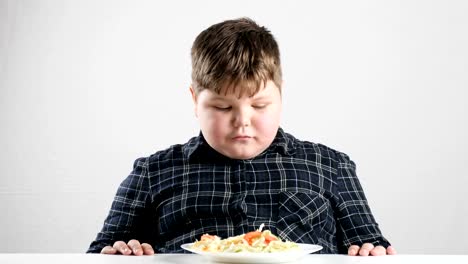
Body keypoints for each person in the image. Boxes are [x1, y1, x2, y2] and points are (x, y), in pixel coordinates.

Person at [87, 17, 396, 257]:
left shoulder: (331, 166)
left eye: (259, 105)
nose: (242, 122)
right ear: (195, 100)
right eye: (222, 107)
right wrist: (118, 251)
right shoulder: (152, 172)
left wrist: (370, 250)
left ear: (281, 95)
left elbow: (369, 243)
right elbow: (102, 251)